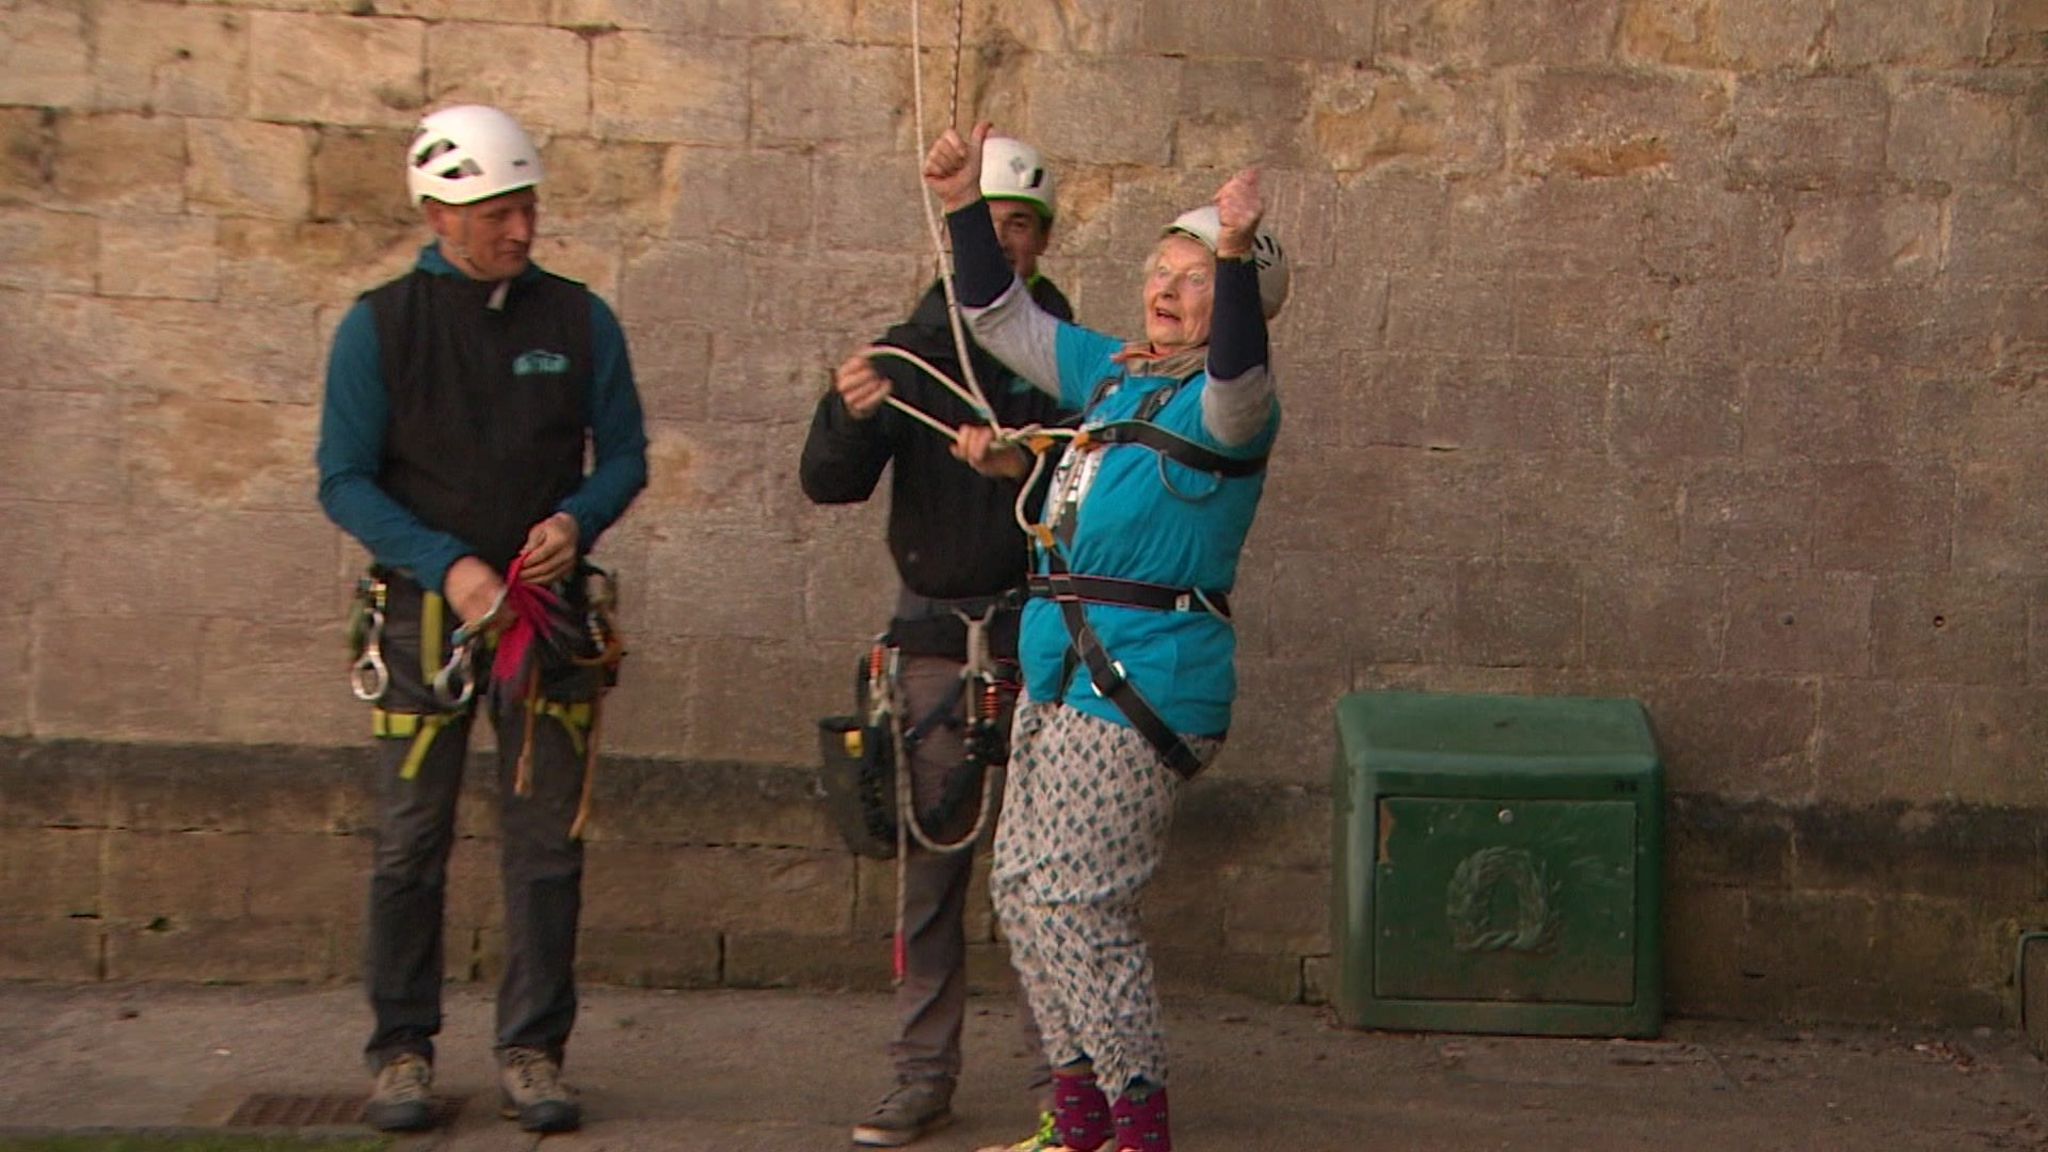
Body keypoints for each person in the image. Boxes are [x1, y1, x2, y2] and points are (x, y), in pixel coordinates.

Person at [922, 122, 1291, 1152]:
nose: (1163, 292)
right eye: (1157, 272)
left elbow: (1236, 371)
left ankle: (1136, 1128)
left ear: (1236, 307)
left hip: (1140, 680)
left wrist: (1233, 251)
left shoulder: (1232, 410)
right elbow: (999, 317)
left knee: (1078, 904)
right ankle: (1078, 1114)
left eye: (1193, 280)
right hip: (1059, 670)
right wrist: (962, 204)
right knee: (1022, 893)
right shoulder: (1114, 381)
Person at [315, 103, 649, 1135]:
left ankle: (533, 1049)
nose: (520, 230)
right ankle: (402, 1050)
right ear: (439, 213)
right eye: (499, 213)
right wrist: (448, 565)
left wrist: (575, 519)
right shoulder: (379, 328)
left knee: (547, 843)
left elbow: (625, 455)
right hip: (425, 622)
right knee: (410, 842)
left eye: (527, 209)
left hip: (544, 622)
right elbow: (344, 480)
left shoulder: (580, 320)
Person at [800, 136, 1076, 1151]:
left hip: (1036, 636)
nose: (1000, 241)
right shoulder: (908, 349)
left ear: (1037, 243)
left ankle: (1067, 1079)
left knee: (1045, 876)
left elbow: (1093, 499)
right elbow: (828, 480)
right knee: (932, 874)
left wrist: (1024, 471)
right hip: (932, 642)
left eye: (1017, 225)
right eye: (987, 220)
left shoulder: (1062, 355)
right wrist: (843, 410)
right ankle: (922, 1074)